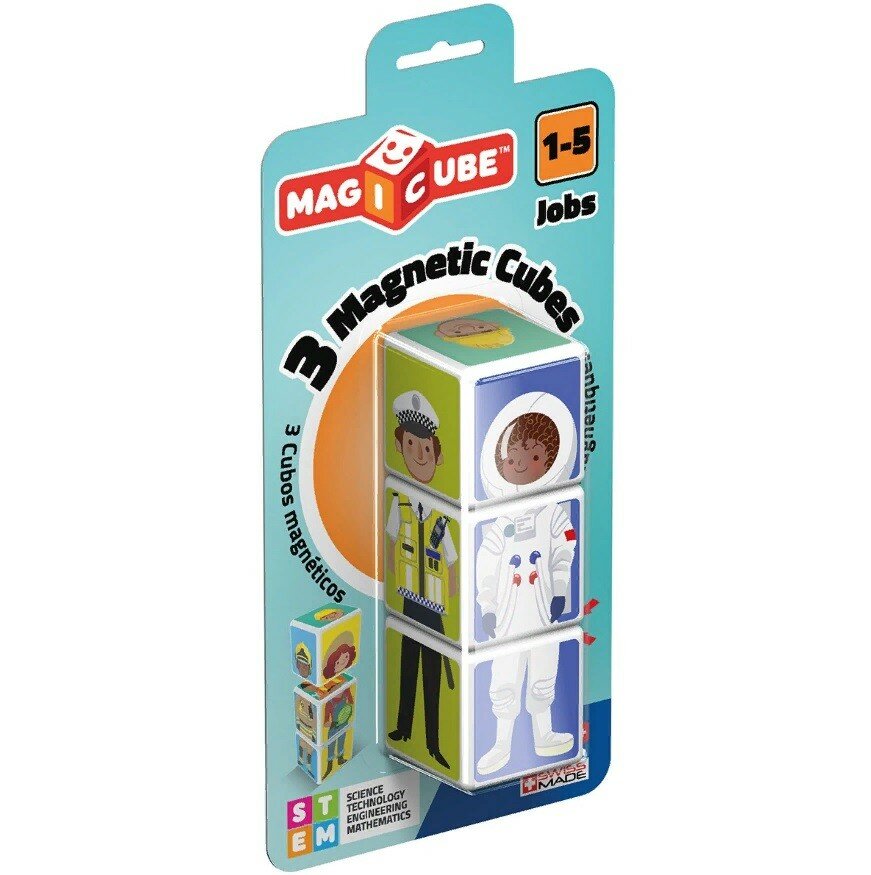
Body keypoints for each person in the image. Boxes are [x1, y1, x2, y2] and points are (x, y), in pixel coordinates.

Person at [474, 391, 579, 776]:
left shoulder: (554, 513)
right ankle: (501, 744)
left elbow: (565, 549)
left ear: (549, 462)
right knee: (503, 676)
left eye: (532, 457)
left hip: (541, 608)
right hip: (506, 612)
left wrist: (561, 590)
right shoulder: (499, 520)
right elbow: (486, 561)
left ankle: (543, 734)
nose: (520, 464)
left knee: (543, 672)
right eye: (513, 457)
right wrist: (487, 605)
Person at [387, 390, 457, 770]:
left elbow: (451, 561)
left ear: (437, 455)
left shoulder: (443, 516)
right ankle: (402, 729)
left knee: (432, 673)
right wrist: (392, 575)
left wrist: (451, 592)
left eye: (426, 448)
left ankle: (433, 743)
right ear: (400, 447)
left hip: (434, 607)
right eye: (411, 445)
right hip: (407, 600)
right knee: (407, 666)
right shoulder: (398, 501)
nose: (419, 455)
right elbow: (391, 542)